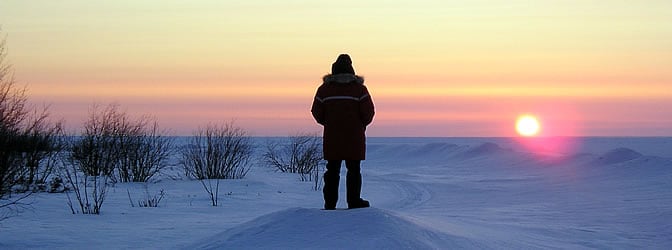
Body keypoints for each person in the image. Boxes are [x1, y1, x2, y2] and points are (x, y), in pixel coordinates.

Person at [311, 54, 375, 210]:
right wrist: (360, 125)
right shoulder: (360, 90)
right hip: (354, 137)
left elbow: (316, 112)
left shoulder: (324, 90)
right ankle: (354, 202)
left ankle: (330, 204)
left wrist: (329, 123)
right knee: (354, 170)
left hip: (332, 137)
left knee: (332, 170)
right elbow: (369, 113)